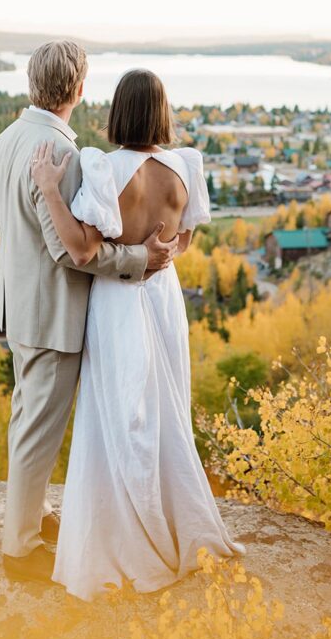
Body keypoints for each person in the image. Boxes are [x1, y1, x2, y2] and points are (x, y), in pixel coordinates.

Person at [30, 68, 245, 601]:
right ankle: (177, 522)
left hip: (119, 300)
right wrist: (161, 254)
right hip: (164, 297)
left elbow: (82, 248)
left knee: (118, 415)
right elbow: (185, 239)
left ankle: (127, 531)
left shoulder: (103, 169)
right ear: (163, 111)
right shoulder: (185, 166)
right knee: (166, 407)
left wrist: (50, 190)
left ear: (119, 112)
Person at [0, 43, 179, 584]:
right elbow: (76, 251)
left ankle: (32, 514)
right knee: (38, 427)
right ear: (76, 89)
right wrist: (143, 259)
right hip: (52, 310)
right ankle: (19, 547)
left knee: (28, 416)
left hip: (18, 301)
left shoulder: (10, 138)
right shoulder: (59, 153)